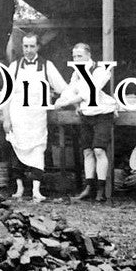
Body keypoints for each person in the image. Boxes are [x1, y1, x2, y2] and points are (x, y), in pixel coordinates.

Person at [2, 33, 66, 201]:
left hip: (37, 118)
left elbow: (62, 88)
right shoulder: (14, 67)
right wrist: (6, 119)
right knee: (17, 150)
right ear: (22, 47)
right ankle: (19, 189)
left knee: (38, 151)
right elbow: (5, 96)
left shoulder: (47, 66)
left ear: (38, 47)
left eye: (32, 46)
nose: (28, 50)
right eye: (25, 46)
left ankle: (37, 190)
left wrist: (60, 102)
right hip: (18, 118)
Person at [55, 43, 116, 202]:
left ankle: (101, 190)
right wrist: (65, 102)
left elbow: (88, 92)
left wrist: (66, 102)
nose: (76, 59)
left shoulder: (101, 70)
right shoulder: (76, 74)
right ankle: (89, 187)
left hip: (103, 113)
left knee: (99, 151)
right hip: (86, 115)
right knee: (87, 151)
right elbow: (69, 91)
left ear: (89, 55)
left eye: (79, 56)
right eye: (74, 57)